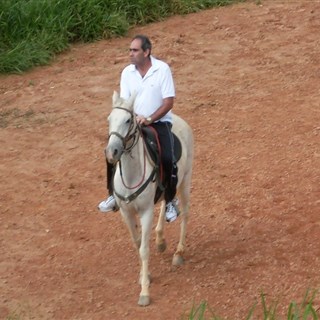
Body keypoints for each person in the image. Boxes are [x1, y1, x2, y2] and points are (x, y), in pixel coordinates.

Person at [98, 34, 179, 222]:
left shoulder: (162, 69)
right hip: (134, 124)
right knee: (111, 151)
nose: (130, 54)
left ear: (146, 52)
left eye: (134, 50)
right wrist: (134, 119)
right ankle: (113, 195)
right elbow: (126, 103)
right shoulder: (127, 72)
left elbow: (168, 102)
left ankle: (169, 200)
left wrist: (150, 118)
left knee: (168, 158)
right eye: (130, 50)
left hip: (159, 123)